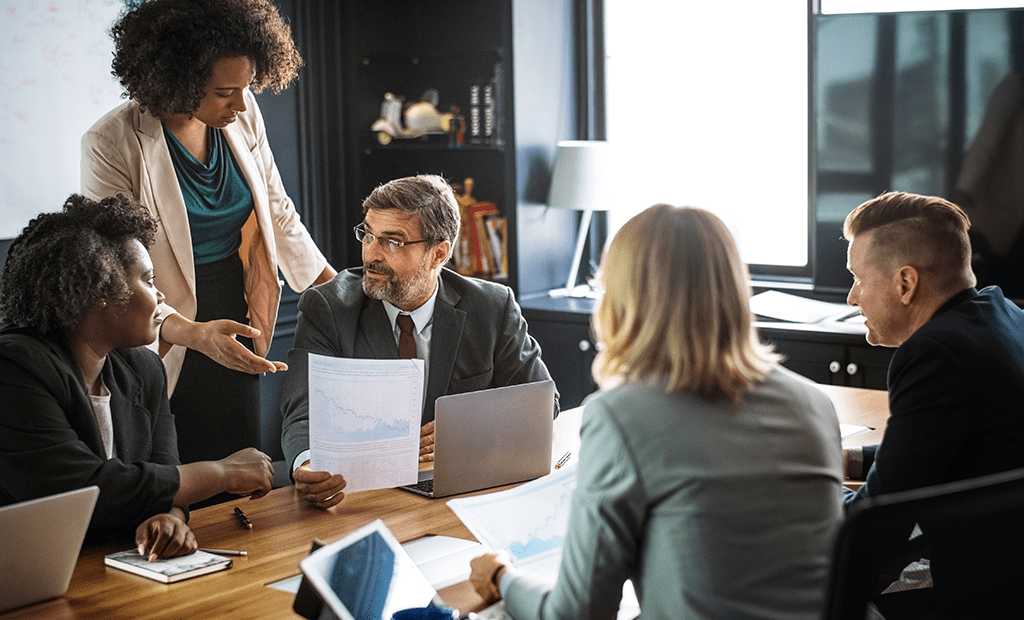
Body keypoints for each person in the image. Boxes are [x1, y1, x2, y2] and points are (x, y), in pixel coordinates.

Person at [468, 204, 844, 619]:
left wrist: (503, 576)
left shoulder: (621, 416)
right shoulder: (814, 403)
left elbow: (576, 613)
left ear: (621, 301)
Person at [81, 0, 336, 467]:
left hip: (233, 306)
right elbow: (114, 269)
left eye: (246, 88)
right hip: (157, 318)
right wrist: (191, 333)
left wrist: (338, 291)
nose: (241, 103)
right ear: (177, 78)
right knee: (176, 463)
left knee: (238, 459)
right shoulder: (110, 143)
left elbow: (278, 212)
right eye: (225, 92)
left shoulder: (243, 111)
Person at [0, 194, 274, 560]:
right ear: (100, 290)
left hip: (114, 565)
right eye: (148, 279)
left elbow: (163, 475)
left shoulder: (144, 369)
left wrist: (169, 517)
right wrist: (222, 473)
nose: (160, 296)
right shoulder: (16, 368)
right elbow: (87, 489)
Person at [280, 174, 557, 509]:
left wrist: (463, 431)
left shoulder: (491, 308)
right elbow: (302, 409)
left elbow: (541, 403)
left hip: (459, 494)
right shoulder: (328, 307)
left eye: (392, 241)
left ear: (438, 254)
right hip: (363, 498)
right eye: (367, 234)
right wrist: (307, 463)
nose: (372, 254)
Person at [841, 191, 1024, 616]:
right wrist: (846, 459)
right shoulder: (1002, 316)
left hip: (980, 588)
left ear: (905, 283)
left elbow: (881, 519)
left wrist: (799, 505)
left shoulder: (935, 353)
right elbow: (932, 455)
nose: (852, 298)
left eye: (857, 278)